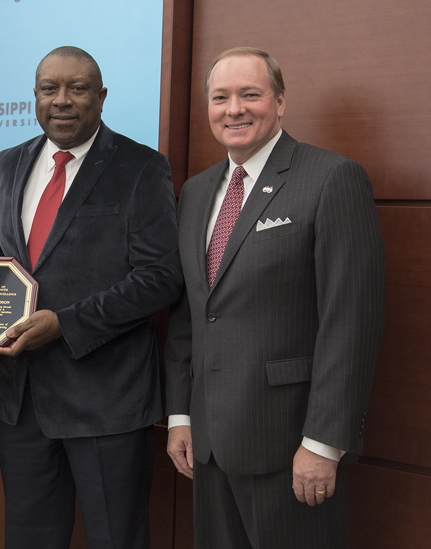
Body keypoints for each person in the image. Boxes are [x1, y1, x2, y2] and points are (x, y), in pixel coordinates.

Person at [164, 47, 385, 548]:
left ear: (280, 102)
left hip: (289, 448)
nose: (234, 109)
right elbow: (190, 314)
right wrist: (180, 414)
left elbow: (351, 322)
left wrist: (323, 444)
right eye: (221, 97)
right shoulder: (195, 193)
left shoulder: (331, 178)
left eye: (250, 94)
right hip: (208, 448)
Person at [0, 46, 182, 548]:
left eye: (78, 88)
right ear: (35, 96)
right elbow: (7, 254)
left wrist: (66, 323)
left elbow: (161, 276)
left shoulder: (140, 166)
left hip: (106, 402)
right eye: (50, 89)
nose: (62, 101)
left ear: (102, 97)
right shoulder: (7, 163)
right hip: (22, 402)